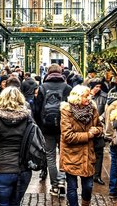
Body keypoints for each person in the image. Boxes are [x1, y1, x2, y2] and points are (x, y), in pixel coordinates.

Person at [59, 85, 103, 206]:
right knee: (72, 187)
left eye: (89, 95)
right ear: (78, 97)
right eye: (86, 96)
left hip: (88, 154)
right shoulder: (66, 110)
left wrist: (97, 131)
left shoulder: (92, 108)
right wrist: (88, 135)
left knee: (88, 186)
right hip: (71, 154)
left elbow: (99, 126)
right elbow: (67, 136)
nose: (89, 98)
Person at [34, 64, 72, 195]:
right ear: (61, 72)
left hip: (47, 128)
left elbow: (37, 109)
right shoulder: (67, 87)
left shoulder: (42, 87)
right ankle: (62, 180)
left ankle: (54, 186)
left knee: (50, 156)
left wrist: (40, 126)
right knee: (64, 154)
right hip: (64, 128)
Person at [88, 78, 108, 185]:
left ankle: (97, 175)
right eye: (96, 86)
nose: (98, 89)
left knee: (99, 152)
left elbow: (106, 111)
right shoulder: (86, 96)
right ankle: (89, 173)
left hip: (99, 127)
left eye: (99, 87)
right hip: (87, 129)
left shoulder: (104, 97)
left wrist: (100, 118)